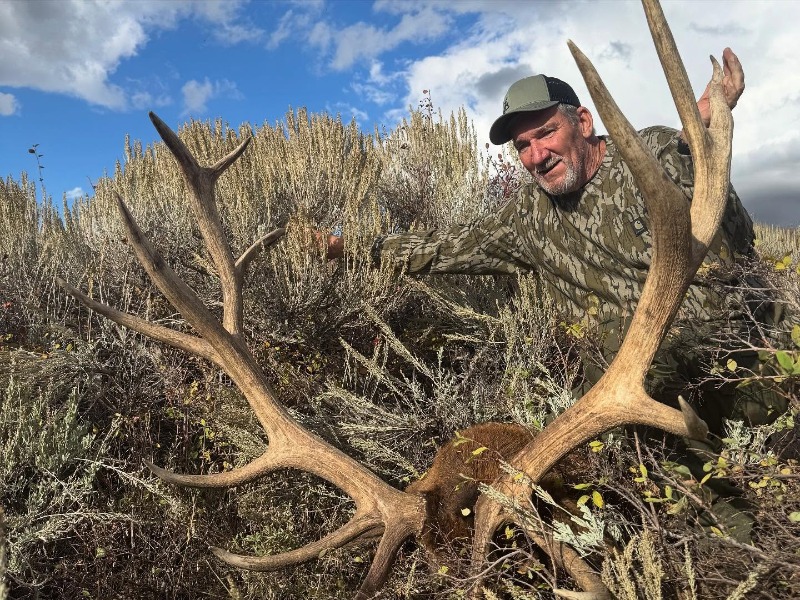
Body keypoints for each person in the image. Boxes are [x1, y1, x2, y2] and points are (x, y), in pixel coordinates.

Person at [326, 49, 786, 434]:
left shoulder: (657, 154)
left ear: (583, 122)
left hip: (741, 362)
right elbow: (441, 248)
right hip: (633, 397)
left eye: (546, 133)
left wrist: (699, 135)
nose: (536, 156)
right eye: (523, 146)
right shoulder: (525, 218)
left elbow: (737, 238)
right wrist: (344, 248)